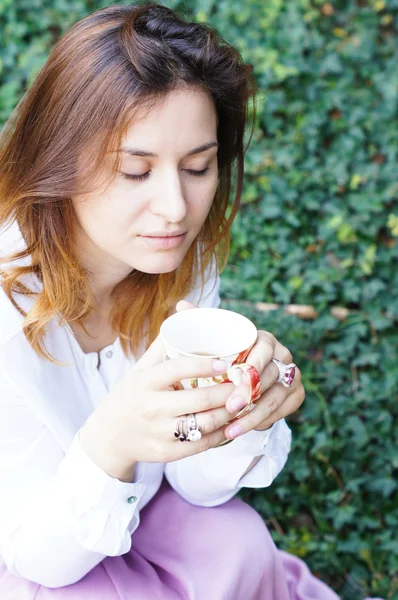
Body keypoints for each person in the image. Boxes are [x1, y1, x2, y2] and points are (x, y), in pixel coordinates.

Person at [0, 4, 382, 599]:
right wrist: (113, 444)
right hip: (31, 550)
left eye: (199, 167)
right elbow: (39, 557)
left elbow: (199, 486)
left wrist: (242, 413)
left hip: (141, 516)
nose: (177, 209)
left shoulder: (177, 262)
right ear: (58, 157)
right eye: (135, 171)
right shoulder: (7, 312)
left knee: (239, 543)